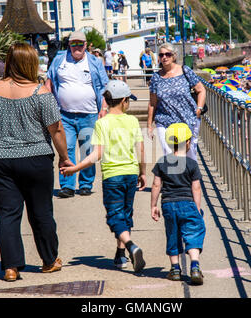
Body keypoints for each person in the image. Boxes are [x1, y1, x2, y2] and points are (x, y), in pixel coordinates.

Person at [0, 42, 73, 282]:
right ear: (31, 63)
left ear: (9, 62)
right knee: (41, 213)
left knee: (8, 214)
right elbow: (56, 129)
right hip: (36, 159)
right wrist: (65, 157)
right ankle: (49, 260)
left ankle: (10, 267)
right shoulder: (41, 93)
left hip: (2, 159)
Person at [60, 80, 147, 272]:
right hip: (131, 173)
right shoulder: (132, 121)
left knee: (114, 216)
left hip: (112, 176)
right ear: (124, 100)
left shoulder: (101, 123)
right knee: (125, 214)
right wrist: (142, 172)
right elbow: (140, 149)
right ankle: (120, 255)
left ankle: (131, 246)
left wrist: (76, 169)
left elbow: (97, 154)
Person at [46, 31, 109, 198]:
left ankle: (86, 184)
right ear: (69, 45)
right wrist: (48, 105)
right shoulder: (59, 59)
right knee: (66, 149)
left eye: (80, 44)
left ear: (86, 45)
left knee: (87, 149)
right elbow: (49, 81)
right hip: (64, 114)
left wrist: (103, 108)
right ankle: (67, 185)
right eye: (73, 43)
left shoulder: (94, 62)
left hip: (89, 114)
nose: (77, 47)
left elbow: (104, 87)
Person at [150, 123, 206, 285]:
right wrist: (197, 207)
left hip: (168, 204)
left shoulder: (162, 162)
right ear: (188, 143)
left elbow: (156, 185)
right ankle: (194, 266)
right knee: (194, 232)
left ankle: (175, 269)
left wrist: (153, 205)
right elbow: (196, 188)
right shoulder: (192, 164)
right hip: (187, 203)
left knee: (172, 235)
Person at [147, 42, 206, 160]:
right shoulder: (156, 78)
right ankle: (172, 178)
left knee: (189, 155)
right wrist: (149, 125)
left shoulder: (185, 71)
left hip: (188, 118)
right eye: (161, 55)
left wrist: (199, 109)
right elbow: (152, 103)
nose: (164, 57)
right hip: (165, 120)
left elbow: (201, 90)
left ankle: (192, 178)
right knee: (169, 154)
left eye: (167, 54)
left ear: (174, 56)